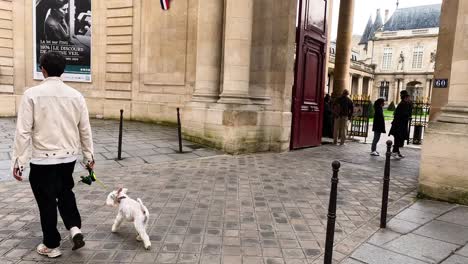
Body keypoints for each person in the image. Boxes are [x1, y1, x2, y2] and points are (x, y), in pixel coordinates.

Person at [11, 51, 94, 258]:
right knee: (66, 192)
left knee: (46, 201)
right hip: (68, 158)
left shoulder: (31, 94)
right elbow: (85, 129)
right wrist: (89, 157)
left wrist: (19, 162)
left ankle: (51, 244)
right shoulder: (76, 96)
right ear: (64, 70)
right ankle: (75, 228)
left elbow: (23, 131)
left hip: (42, 159)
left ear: (43, 70)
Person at [389, 91, 412, 159]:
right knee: (397, 139)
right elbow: (402, 115)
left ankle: (397, 152)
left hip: (401, 125)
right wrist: (407, 116)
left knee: (399, 139)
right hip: (398, 125)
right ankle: (394, 153)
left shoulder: (405, 104)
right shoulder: (402, 104)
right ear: (405, 98)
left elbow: (408, 112)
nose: (409, 99)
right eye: (408, 97)